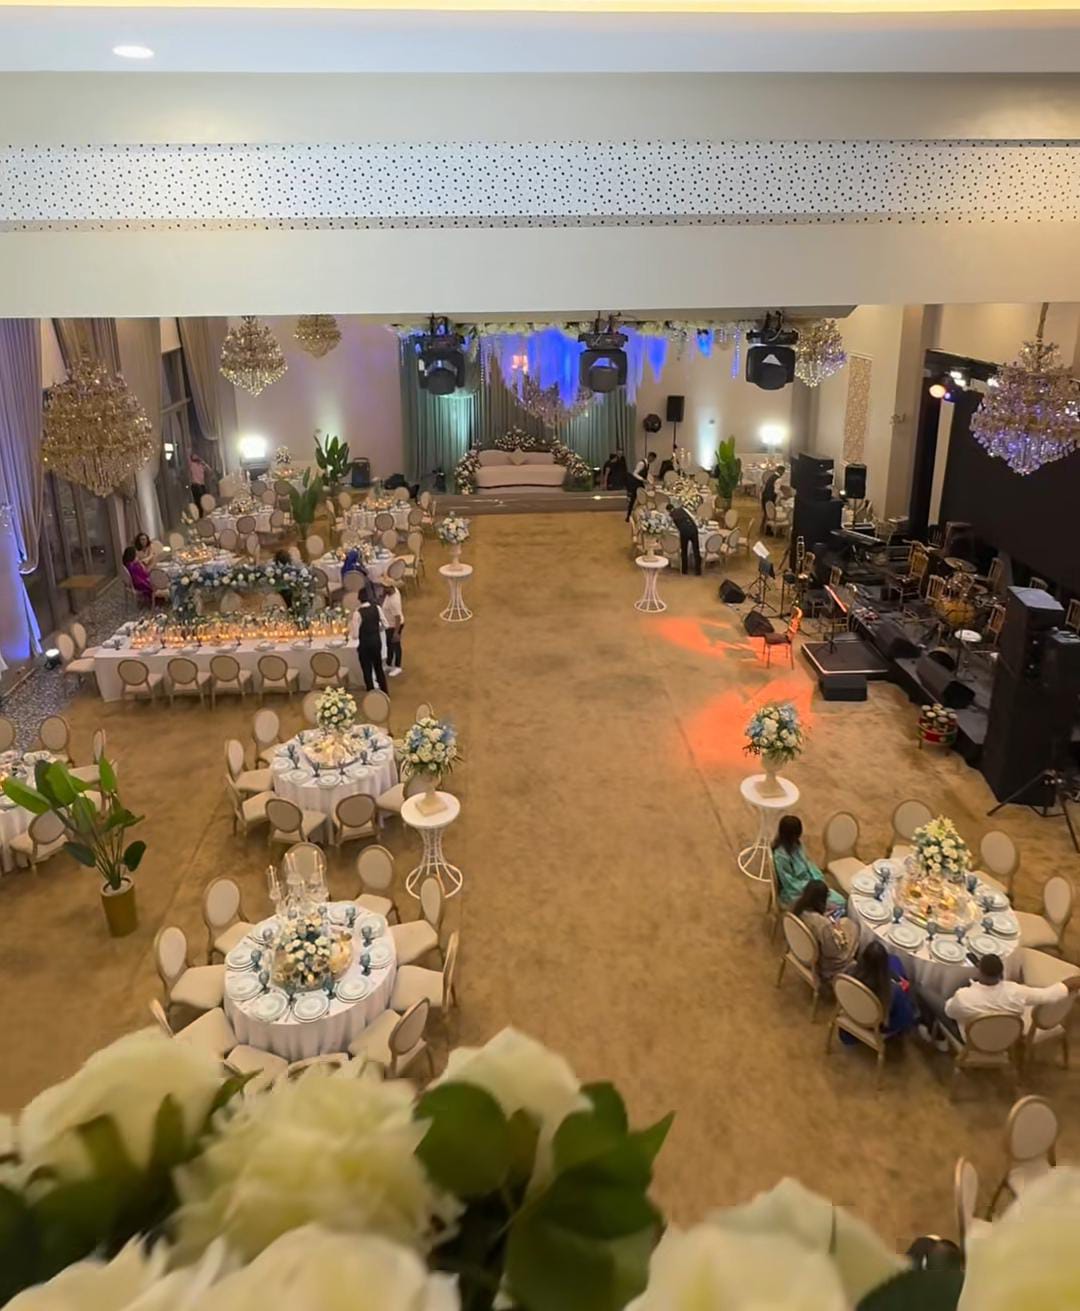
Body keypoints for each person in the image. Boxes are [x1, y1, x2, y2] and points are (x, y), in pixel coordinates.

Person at [935, 953, 1080, 1042]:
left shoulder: (964, 997)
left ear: (979, 972)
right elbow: (1049, 995)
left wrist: (956, 995)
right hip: (1006, 1038)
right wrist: (1074, 981)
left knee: (928, 994)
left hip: (972, 1040)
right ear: (1001, 974)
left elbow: (949, 1012)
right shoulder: (1017, 992)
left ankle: (938, 1037)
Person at [845, 940, 917, 1039]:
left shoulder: (848, 975)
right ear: (885, 966)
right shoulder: (893, 991)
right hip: (877, 1027)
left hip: (853, 1014)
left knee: (894, 960)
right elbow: (903, 1019)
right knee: (909, 1005)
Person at [792, 879, 857, 984]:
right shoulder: (823, 925)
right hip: (820, 961)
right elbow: (833, 952)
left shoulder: (798, 907)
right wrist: (838, 930)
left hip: (799, 948)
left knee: (846, 922)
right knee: (853, 927)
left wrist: (823, 917)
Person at [771, 816, 843, 909]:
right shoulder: (781, 856)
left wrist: (819, 879)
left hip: (811, 884)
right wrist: (813, 889)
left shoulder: (797, 845)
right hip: (797, 892)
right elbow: (789, 883)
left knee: (841, 901)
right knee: (838, 905)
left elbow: (808, 864)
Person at [350, 596, 387, 693]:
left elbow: (355, 635)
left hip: (364, 645)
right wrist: (376, 630)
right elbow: (385, 625)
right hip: (376, 642)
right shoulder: (377, 608)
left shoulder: (357, 613)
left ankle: (371, 693)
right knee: (378, 667)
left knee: (367, 670)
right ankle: (384, 691)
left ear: (359, 600)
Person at [668, 501, 702, 576]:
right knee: (696, 550)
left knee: (684, 551)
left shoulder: (671, 514)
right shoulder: (682, 509)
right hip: (693, 529)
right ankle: (698, 571)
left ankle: (684, 570)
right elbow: (692, 517)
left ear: (669, 510)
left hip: (684, 532)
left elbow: (672, 525)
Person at [379, 579, 404, 677]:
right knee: (389, 645)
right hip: (389, 625)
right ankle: (389, 664)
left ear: (390, 588)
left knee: (396, 646)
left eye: (385, 587)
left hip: (394, 626)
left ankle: (398, 666)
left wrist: (396, 633)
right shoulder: (393, 592)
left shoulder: (394, 602)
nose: (383, 588)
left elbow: (397, 618)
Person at [625, 451, 655, 521]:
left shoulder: (647, 464)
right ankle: (628, 516)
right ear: (650, 457)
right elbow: (635, 473)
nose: (653, 461)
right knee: (633, 499)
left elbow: (645, 474)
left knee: (642, 499)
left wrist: (649, 482)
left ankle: (640, 515)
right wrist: (642, 479)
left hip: (640, 483)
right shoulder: (641, 463)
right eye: (653, 459)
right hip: (636, 483)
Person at [760, 463, 786, 532]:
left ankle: (762, 528)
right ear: (780, 471)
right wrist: (783, 495)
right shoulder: (778, 479)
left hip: (764, 496)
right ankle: (768, 530)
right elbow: (776, 491)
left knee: (766, 513)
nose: (783, 474)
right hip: (770, 497)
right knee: (770, 514)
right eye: (783, 472)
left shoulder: (771, 476)